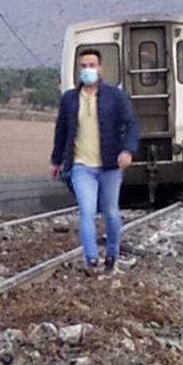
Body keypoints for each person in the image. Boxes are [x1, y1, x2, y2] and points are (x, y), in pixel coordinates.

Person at [50, 48, 139, 275]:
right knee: (86, 211)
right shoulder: (70, 99)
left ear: (101, 69)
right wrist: (57, 160)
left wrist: (128, 150)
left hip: (110, 166)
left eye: (92, 65)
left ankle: (112, 254)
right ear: (78, 70)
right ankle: (90, 259)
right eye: (84, 66)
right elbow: (61, 130)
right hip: (81, 166)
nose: (88, 70)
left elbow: (131, 125)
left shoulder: (115, 96)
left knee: (110, 212)